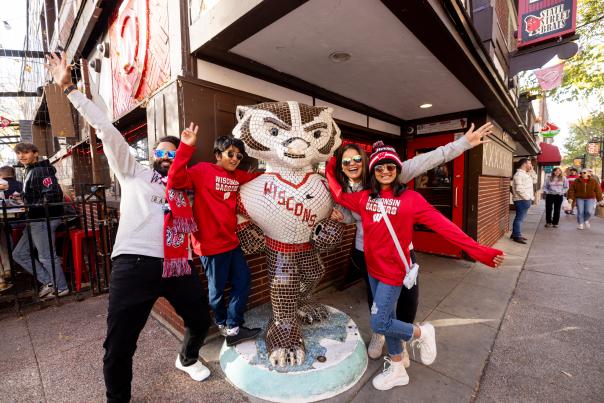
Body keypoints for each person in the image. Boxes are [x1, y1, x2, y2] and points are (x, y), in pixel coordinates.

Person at [46, 52, 212, 402]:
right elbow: (105, 129)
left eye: (174, 152)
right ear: (152, 156)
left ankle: (187, 358)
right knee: (119, 345)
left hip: (177, 267)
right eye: (161, 153)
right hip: (134, 264)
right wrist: (70, 89)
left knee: (200, 318)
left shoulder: (185, 189)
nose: (167, 157)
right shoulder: (134, 172)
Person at [326, 141, 504, 391]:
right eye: (379, 168)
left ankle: (421, 332)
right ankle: (397, 368)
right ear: (373, 172)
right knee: (386, 317)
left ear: (398, 169)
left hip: (393, 271)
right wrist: (330, 165)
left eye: (390, 166)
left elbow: (446, 228)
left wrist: (481, 252)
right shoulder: (365, 197)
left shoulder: (411, 199)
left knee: (379, 322)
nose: (385, 171)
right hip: (372, 267)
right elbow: (339, 196)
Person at [168, 126, 262, 346]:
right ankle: (222, 324)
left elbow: (259, 179)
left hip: (232, 242)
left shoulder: (237, 176)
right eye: (230, 154)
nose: (236, 158)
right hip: (210, 245)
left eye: (239, 155)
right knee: (217, 290)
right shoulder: (202, 171)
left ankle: (233, 326)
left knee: (243, 282)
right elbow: (174, 180)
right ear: (218, 155)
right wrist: (186, 146)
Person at [11, 142, 69, 298]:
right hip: (36, 219)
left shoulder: (40, 170)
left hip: (43, 219)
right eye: (19, 153)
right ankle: (50, 282)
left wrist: (28, 205)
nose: (21, 156)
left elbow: (53, 196)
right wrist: (23, 198)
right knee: (20, 254)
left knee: (46, 256)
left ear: (35, 153)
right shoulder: (31, 170)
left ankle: (61, 287)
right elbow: (39, 194)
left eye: (25, 152)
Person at [510, 158, 537, 244]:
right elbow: (519, 189)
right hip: (521, 200)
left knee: (520, 218)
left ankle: (515, 234)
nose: (531, 165)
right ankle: (517, 236)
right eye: (529, 163)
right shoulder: (519, 175)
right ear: (524, 164)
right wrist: (527, 198)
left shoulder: (526, 174)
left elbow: (535, 180)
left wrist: (532, 171)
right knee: (519, 219)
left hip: (524, 199)